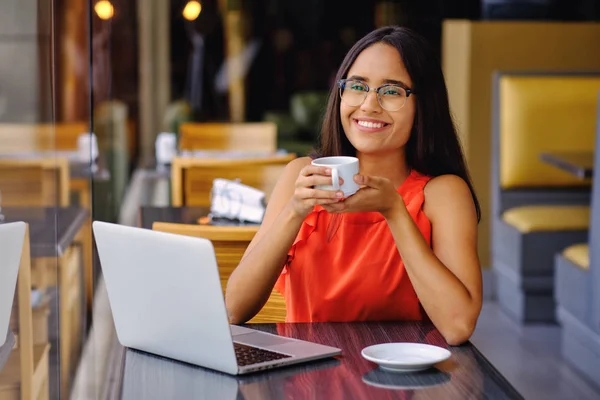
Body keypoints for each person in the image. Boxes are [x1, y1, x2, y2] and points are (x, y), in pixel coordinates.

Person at [226, 26, 482, 345]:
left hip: (402, 381)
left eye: (391, 91)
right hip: (308, 380)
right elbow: (234, 308)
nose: (369, 105)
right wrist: (294, 211)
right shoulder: (300, 176)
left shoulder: (441, 193)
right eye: (358, 86)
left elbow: (458, 327)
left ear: (423, 105)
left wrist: (395, 212)